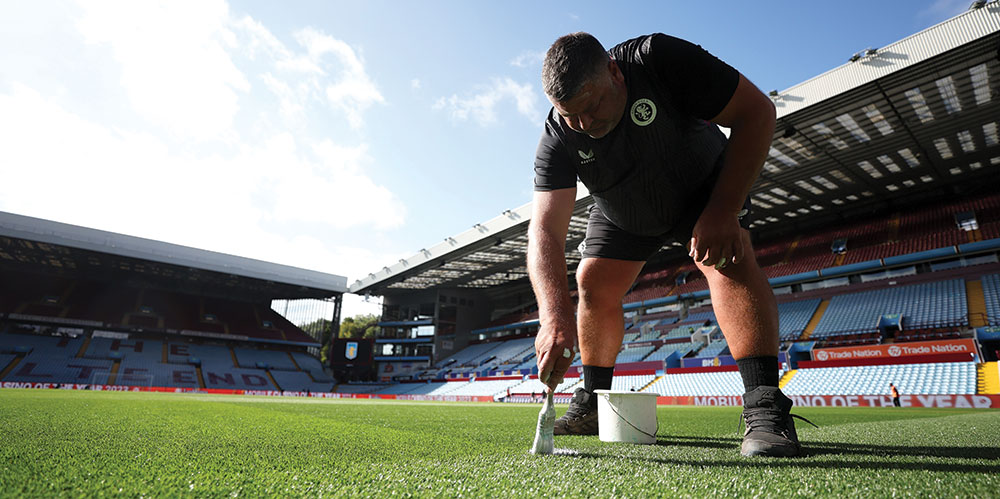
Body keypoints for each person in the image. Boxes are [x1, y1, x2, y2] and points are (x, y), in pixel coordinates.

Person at [529, 32, 808, 457]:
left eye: (592, 106)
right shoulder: (558, 135)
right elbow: (545, 231)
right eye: (571, 116)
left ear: (615, 73)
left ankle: (766, 405)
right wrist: (553, 316)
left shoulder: (659, 59)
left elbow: (757, 112)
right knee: (593, 280)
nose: (584, 124)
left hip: (702, 191)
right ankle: (592, 401)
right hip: (623, 209)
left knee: (727, 262)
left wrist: (723, 210)